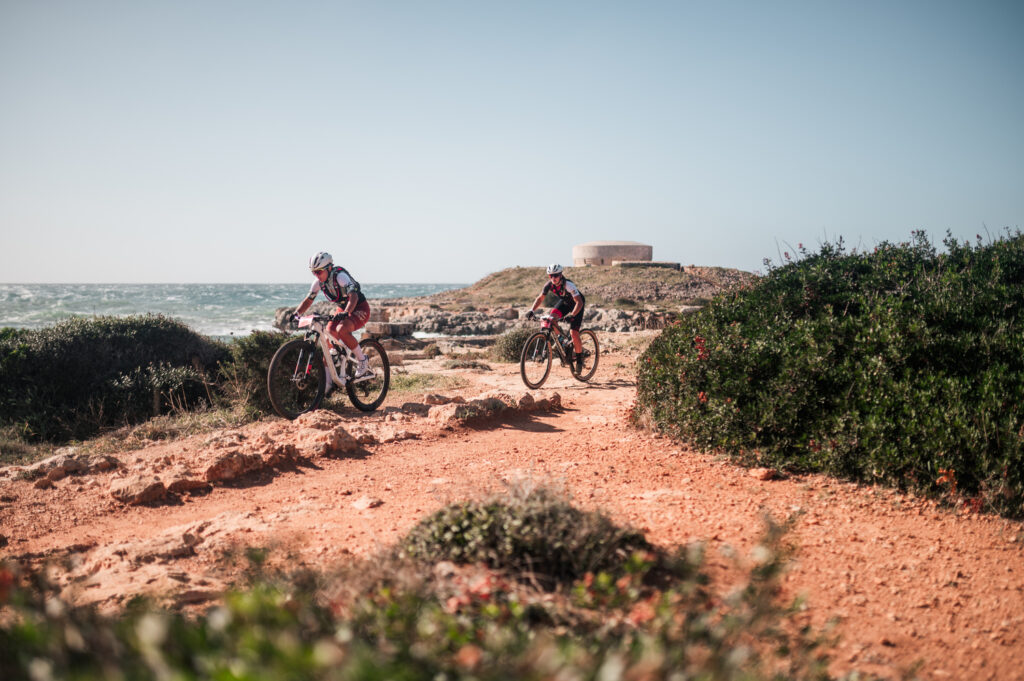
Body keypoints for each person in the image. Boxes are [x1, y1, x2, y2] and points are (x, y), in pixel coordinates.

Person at [292, 251, 373, 388]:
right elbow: (308, 300)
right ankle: (328, 385)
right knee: (329, 334)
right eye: (314, 272)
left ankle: (362, 360)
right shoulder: (318, 282)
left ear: (329, 268)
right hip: (343, 308)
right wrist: (296, 313)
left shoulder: (340, 277)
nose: (316, 275)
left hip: (359, 307)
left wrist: (347, 312)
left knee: (342, 329)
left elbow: (353, 296)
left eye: (319, 272)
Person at [526, 264, 585, 373]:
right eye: (551, 276)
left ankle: (580, 360)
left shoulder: (569, 285)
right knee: (551, 318)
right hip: (565, 303)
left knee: (573, 333)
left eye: (556, 275)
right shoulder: (548, 285)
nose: (553, 278)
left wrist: (572, 315)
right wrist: (532, 310)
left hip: (577, 305)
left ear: (561, 275)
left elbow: (579, 302)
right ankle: (562, 340)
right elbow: (540, 298)